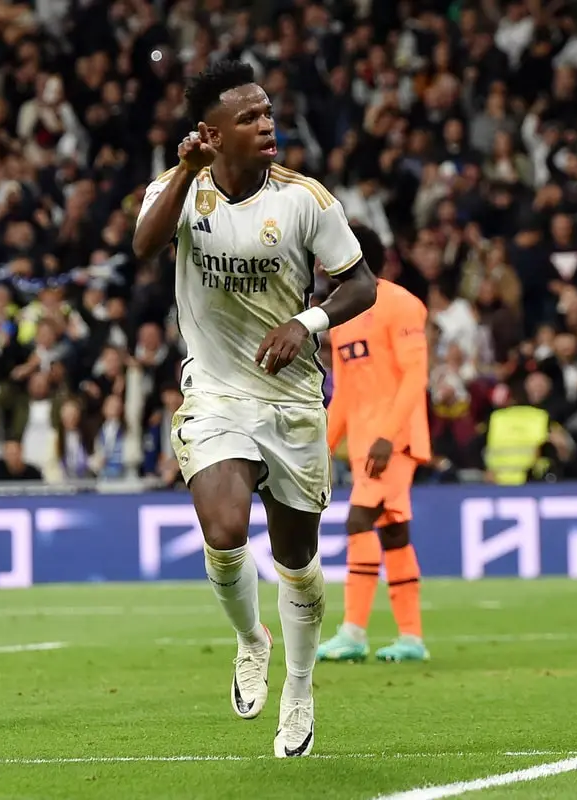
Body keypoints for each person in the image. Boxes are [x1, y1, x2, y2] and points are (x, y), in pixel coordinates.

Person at [131, 60, 377, 758]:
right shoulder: (176, 192)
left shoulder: (305, 199)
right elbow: (144, 246)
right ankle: (250, 639)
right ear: (211, 133)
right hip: (213, 391)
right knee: (224, 527)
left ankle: (299, 686)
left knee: (296, 559)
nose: (267, 124)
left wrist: (309, 323)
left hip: (293, 395)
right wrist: (182, 171)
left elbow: (361, 285)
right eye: (249, 117)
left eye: (268, 112)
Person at [318, 224, 431, 664]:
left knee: (358, 522)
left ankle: (353, 632)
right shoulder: (341, 313)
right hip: (366, 443)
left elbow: (414, 377)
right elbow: (344, 391)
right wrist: (323, 445)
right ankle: (412, 638)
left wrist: (388, 436)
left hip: (394, 442)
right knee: (395, 535)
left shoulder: (402, 304)